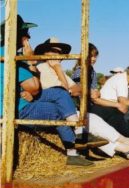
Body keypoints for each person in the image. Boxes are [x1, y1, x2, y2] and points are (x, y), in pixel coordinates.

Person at [0, 15, 94, 166]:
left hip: (17, 100)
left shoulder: (8, 54)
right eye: (26, 35)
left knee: (59, 92)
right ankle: (73, 151)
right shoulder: (13, 57)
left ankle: (79, 134)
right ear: (19, 37)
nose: (29, 38)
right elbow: (35, 88)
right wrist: (30, 62)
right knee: (57, 111)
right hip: (13, 108)